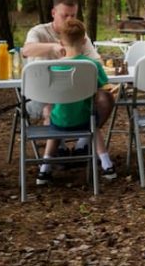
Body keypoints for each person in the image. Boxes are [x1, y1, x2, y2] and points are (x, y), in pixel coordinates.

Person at [22, 0, 113, 155]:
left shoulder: (79, 35)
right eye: (65, 15)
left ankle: (83, 144)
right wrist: (52, 47)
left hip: (76, 94)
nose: (70, 19)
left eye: (73, 15)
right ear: (53, 13)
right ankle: (59, 151)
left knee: (106, 99)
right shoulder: (39, 31)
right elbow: (26, 50)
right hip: (42, 95)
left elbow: (96, 62)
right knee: (50, 106)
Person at [36, 19, 118, 185]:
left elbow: (46, 95)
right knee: (95, 127)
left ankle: (44, 171)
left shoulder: (52, 67)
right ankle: (107, 165)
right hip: (84, 120)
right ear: (84, 41)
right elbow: (105, 87)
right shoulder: (92, 65)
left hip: (58, 122)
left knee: (54, 122)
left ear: (60, 42)